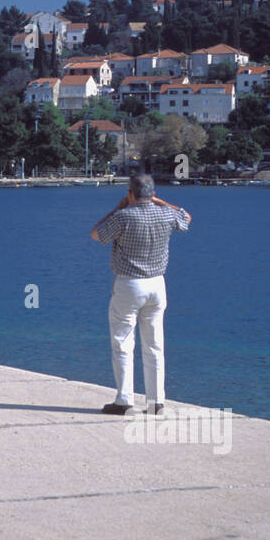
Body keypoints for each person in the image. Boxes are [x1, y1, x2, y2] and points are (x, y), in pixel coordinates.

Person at [90, 173, 191, 416]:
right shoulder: (167, 214)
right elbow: (186, 217)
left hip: (129, 285)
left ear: (130, 193)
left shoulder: (124, 216)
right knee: (154, 344)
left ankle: (125, 400)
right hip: (157, 284)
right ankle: (156, 402)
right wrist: (160, 202)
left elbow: (96, 234)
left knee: (123, 342)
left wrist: (117, 208)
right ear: (153, 194)